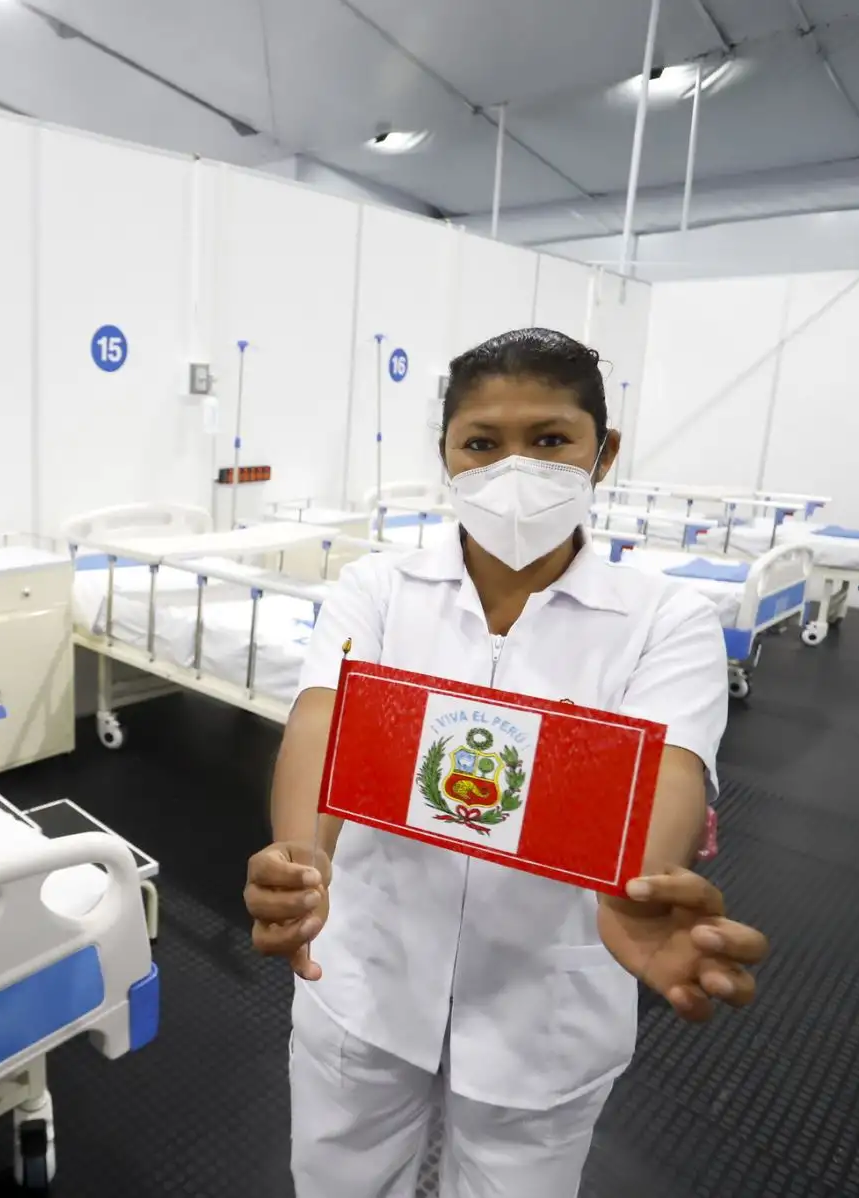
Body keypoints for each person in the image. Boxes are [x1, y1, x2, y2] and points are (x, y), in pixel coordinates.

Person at [245, 328, 769, 1198]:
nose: (513, 468)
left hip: (546, 993)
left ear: (603, 455)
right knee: (338, 1182)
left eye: (551, 439)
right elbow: (321, 725)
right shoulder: (376, 592)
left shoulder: (663, 621)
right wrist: (302, 858)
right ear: (447, 458)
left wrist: (640, 881)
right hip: (370, 968)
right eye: (482, 444)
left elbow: (667, 772)